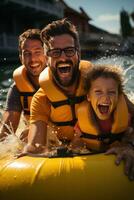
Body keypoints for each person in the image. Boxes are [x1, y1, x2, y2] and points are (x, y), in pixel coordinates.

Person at [21, 19, 134, 179]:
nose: (63, 58)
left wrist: (129, 144)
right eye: (55, 52)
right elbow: (36, 147)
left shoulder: (102, 85)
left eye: (69, 51)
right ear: (46, 58)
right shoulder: (41, 100)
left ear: (78, 53)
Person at [74, 65, 134, 179]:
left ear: (118, 96)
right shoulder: (83, 120)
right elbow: (76, 141)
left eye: (111, 92)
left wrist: (128, 145)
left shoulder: (126, 117)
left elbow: (131, 133)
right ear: (88, 97)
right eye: (98, 92)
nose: (105, 98)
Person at [0, 29, 47, 141]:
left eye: (37, 52)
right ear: (21, 58)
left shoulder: (62, 81)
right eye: (27, 54)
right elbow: (6, 133)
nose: (33, 59)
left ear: (46, 54)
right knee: (25, 137)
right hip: (34, 138)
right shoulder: (17, 89)